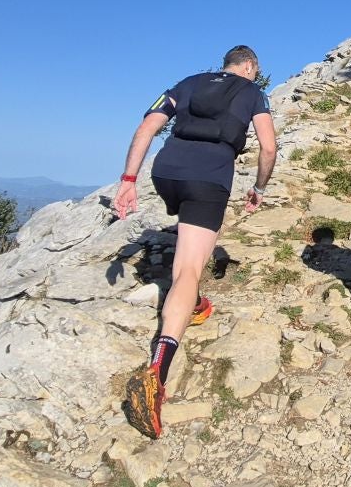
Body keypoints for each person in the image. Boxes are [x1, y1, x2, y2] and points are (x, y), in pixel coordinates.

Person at [114, 45, 277, 437]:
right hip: (209, 175)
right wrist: (258, 188)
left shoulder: (187, 83)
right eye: (255, 70)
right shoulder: (252, 92)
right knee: (188, 268)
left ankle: (197, 304)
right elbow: (269, 147)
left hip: (167, 172)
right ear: (249, 66)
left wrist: (128, 180)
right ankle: (157, 372)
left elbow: (146, 129)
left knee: (190, 243)